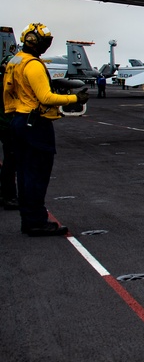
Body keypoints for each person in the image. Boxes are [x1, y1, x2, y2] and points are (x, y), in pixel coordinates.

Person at [3, 23, 89, 236]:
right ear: (37, 42)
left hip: (18, 121)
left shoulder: (15, 61)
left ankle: (29, 219)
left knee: (23, 174)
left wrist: (13, 114)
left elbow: (8, 91)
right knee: (37, 174)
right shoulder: (33, 65)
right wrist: (75, 98)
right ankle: (37, 221)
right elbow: (46, 97)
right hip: (35, 125)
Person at [0, 47, 18, 210]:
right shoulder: (7, 83)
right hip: (6, 125)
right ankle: (9, 197)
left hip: (5, 124)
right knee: (10, 162)